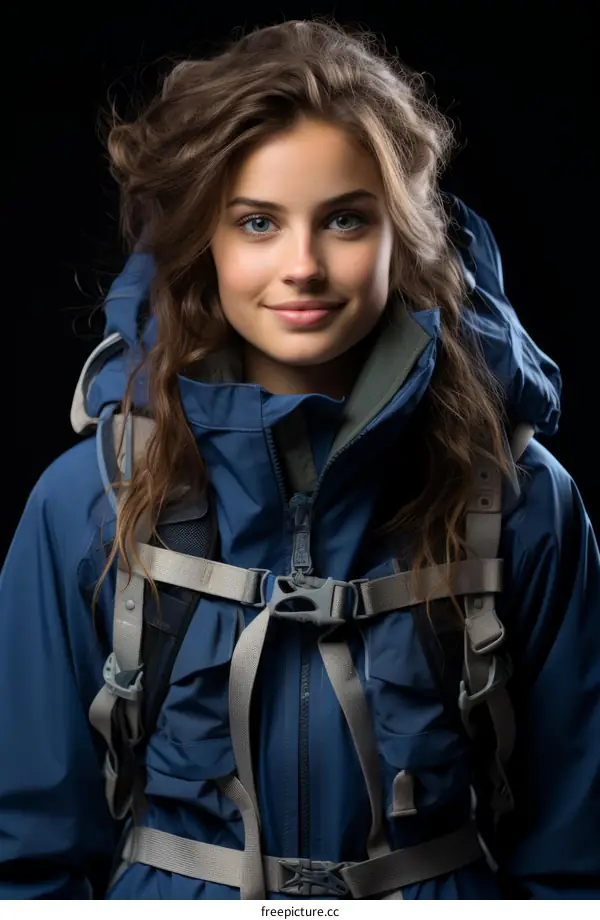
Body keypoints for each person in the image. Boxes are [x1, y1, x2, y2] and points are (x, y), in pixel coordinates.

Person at [0, 18, 598, 901]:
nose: (304, 265)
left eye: (347, 220)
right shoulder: (87, 500)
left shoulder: (521, 501)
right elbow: (30, 863)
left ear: (406, 235)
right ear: (206, 237)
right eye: (257, 223)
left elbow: (575, 862)